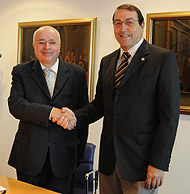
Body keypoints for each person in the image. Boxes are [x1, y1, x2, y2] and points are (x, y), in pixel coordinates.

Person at [55, 4, 180, 194]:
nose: (123, 29)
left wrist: (158, 163)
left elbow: (169, 117)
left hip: (141, 164)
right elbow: (99, 104)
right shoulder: (108, 61)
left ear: (141, 25)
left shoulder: (162, 58)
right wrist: (75, 116)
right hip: (109, 161)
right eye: (118, 23)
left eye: (129, 23)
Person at [8, 26, 88, 194]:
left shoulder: (77, 74)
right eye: (41, 42)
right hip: (29, 157)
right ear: (34, 45)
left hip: (64, 157)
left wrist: (78, 154)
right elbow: (16, 105)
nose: (47, 47)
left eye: (52, 42)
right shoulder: (21, 71)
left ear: (60, 45)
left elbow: (82, 116)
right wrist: (52, 112)